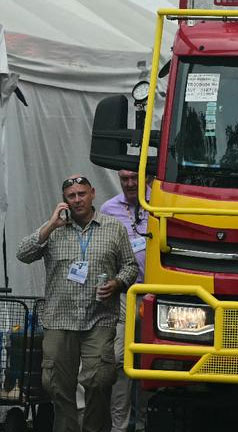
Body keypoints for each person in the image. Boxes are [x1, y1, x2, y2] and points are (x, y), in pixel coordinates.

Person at [17, 174, 140, 432]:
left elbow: (130, 267)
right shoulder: (54, 229)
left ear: (92, 193)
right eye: (71, 196)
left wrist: (116, 283)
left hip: (99, 318)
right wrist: (50, 225)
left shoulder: (113, 227)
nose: (77, 200)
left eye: (81, 194)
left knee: (99, 380)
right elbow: (23, 254)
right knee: (56, 384)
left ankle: (94, 429)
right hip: (60, 319)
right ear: (65, 200)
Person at [100, 170, 151, 432]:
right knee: (120, 359)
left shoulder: (161, 204)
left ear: (147, 178)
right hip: (124, 294)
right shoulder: (109, 209)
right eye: (125, 179)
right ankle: (119, 426)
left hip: (156, 295)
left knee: (151, 362)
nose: (130, 183)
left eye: (135, 178)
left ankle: (144, 422)